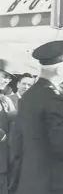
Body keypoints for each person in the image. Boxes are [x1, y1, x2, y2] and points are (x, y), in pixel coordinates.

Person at [12, 40, 63, 194]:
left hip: (30, 181)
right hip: (52, 182)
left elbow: (17, 141)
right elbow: (60, 144)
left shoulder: (27, 96)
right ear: (59, 69)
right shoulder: (53, 96)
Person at [0, 59, 16, 194]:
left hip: (4, 163)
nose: (7, 80)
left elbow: (10, 118)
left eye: (9, 78)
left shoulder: (5, 100)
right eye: (4, 76)